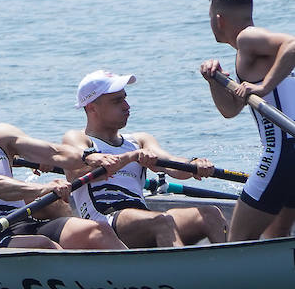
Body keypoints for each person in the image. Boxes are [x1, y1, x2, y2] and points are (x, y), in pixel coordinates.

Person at [0, 79, 126, 249]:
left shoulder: (0, 136)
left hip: (21, 223)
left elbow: (52, 152)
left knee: (97, 230)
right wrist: (41, 189)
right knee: (43, 245)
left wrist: (87, 157)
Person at [63, 70, 227, 247]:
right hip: (105, 222)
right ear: (92, 107)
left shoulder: (139, 140)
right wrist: (130, 158)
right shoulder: (78, 139)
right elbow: (74, 173)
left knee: (210, 214)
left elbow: (171, 165)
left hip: (142, 217)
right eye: (117, 101)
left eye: (125, 98)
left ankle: (233, 268)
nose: (127, 106)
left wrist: (193, 164)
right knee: (162, 221)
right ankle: (179, 272)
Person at [200, 0, 295, 241]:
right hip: (290, 153)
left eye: (209, 17)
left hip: (283, 153)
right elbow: (230, 110)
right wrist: (215, 80)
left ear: (218, 20)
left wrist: (264, 86)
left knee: (237, 240)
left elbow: (293, 44)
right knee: (278, 235)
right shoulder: (253, 53)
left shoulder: (248, 38)